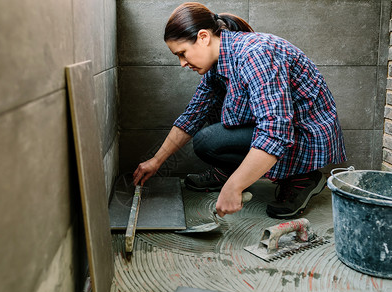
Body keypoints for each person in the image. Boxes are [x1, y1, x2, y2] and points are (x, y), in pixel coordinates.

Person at [133, 2, 346, 219]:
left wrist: (234, 187)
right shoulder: (218, 63)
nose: (182, 63)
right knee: (207, 134)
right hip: (281, 130)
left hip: (304, 137)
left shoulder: (255, 54)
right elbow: (193, 114)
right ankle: (230, 171)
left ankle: (302, 178)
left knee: (212, 141)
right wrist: (156, 161)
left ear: (204, 37)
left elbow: (276, 132)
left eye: (183, 53)